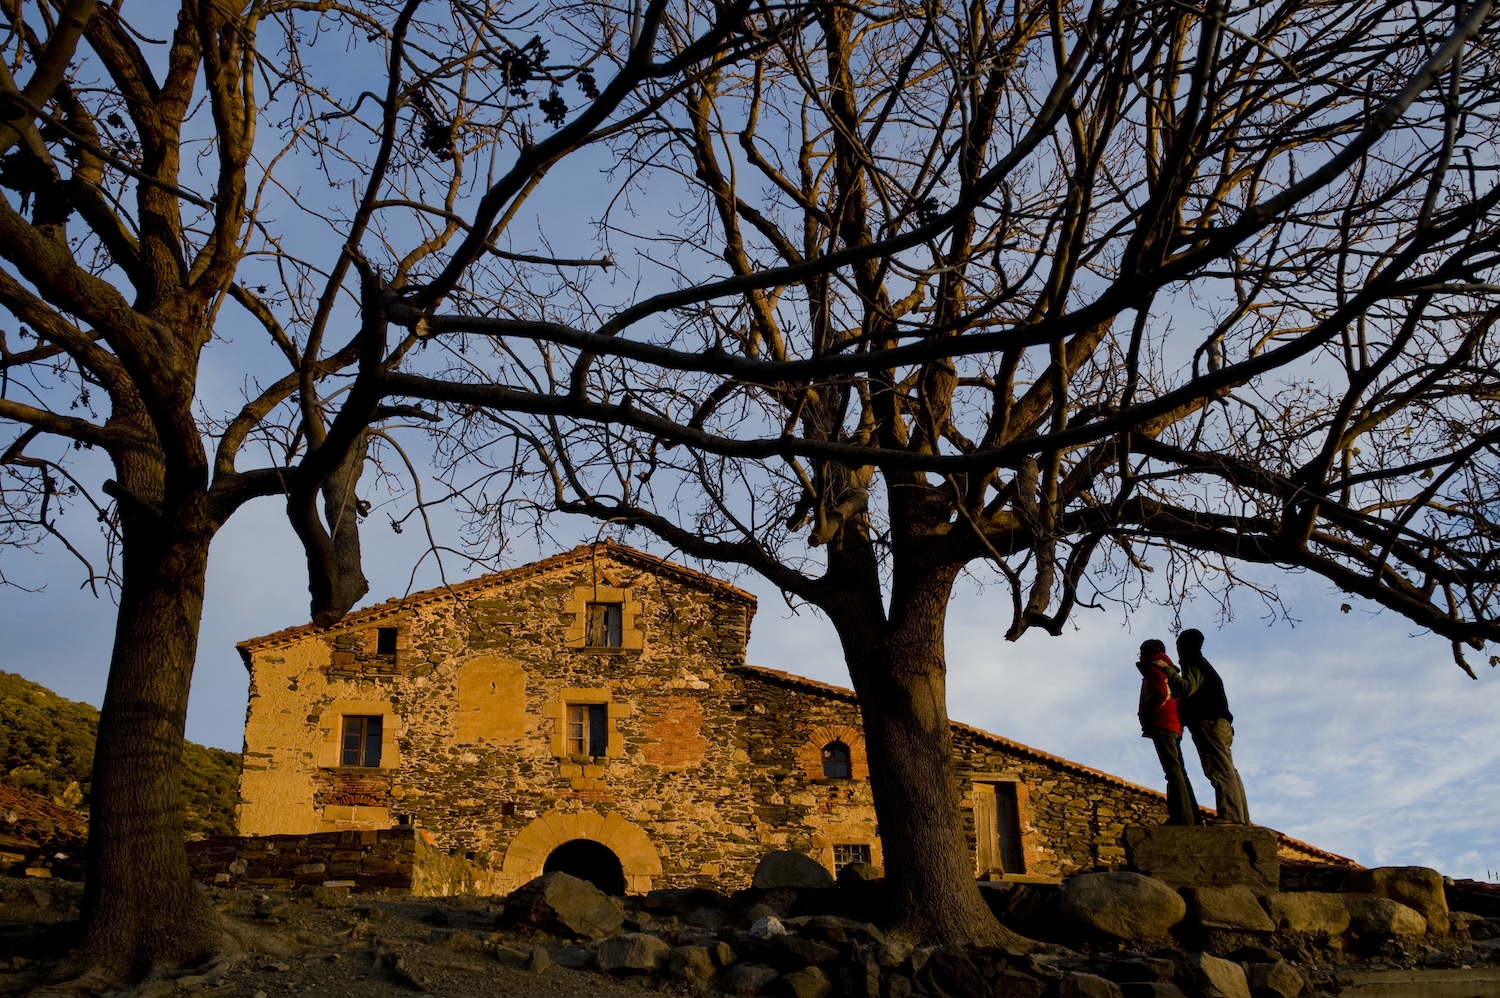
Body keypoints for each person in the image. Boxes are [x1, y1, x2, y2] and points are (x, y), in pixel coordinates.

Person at [1175, 628, 1251, 824]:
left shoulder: (1193, 663)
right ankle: (1241, 819)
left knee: (1220, 769)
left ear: (1183, 647)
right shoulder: (1206, 667)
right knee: (1228, 769)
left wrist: (1169, 673)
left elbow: (1187, 688)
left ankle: (1232, 817)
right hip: (1221, 724)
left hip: (1210, 723)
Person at [1136, 639, 1200, 826]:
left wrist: (1149, 714)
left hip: (1162, 722)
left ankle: (1182, 818)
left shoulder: (1154, 667)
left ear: (1146, 652)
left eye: (1141, 652)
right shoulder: (1168, 667)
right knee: (1179, 771)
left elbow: (1160, 693)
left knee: (1173, 772)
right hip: (1174, 724)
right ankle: (1192, 817)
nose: (1140, 656)